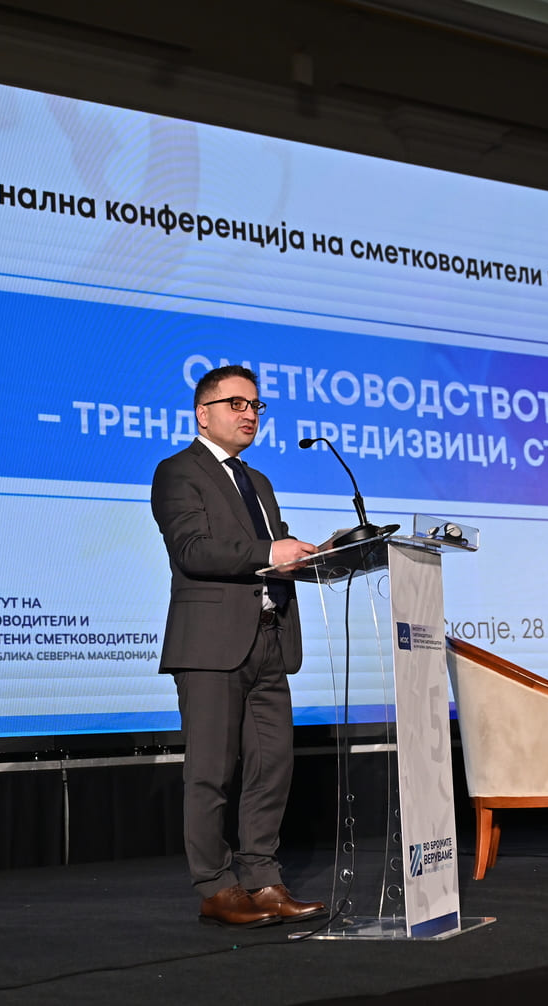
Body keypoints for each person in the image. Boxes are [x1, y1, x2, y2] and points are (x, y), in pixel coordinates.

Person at [150, 364, 326, 927]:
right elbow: (193, 551)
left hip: (270, 640)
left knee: (272, 767)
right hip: (211, 647)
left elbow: (272, 552)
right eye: (237, 404)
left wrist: (317, 556)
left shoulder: (259, 481)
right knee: (212, 771)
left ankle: (263, 879)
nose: (250, 414)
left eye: (256, 405)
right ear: (203, 414)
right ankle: (215, 885)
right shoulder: (178, 471)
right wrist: (272, 552)